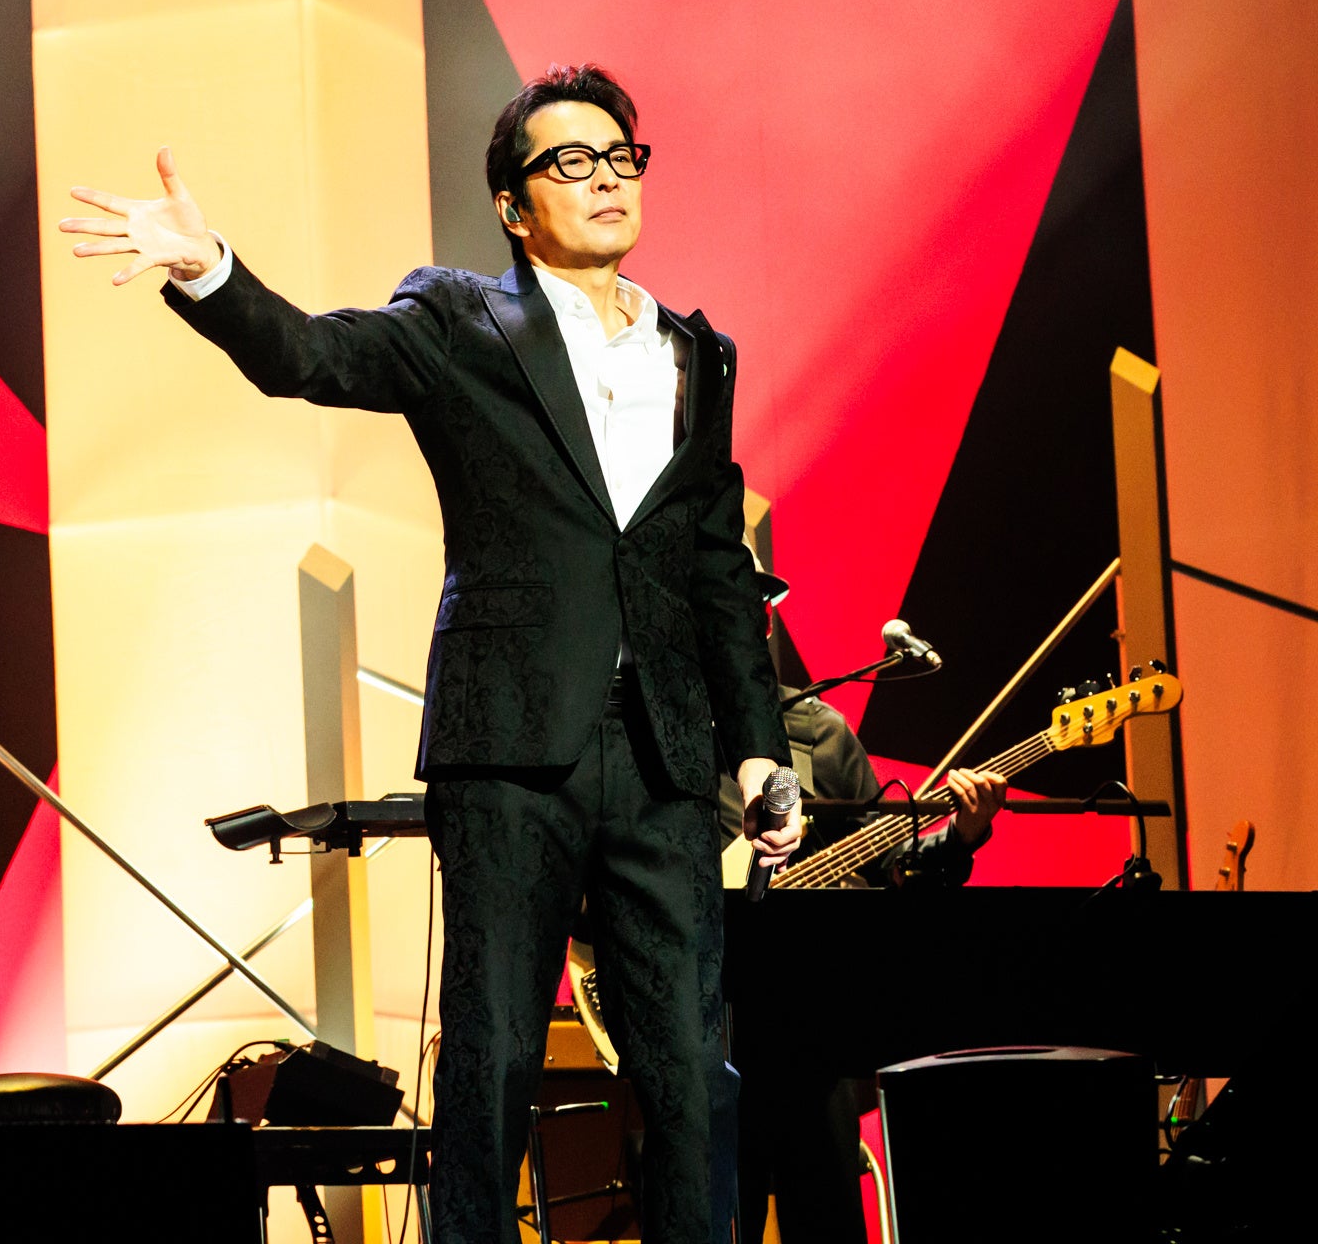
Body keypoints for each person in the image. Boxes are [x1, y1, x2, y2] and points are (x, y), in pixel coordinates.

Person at [61, 64, 800, 1243]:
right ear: (513, 205)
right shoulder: (462, 323)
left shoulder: (694, 355)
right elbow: (313, 356)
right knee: (494, 1061)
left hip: (664, 757)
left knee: (692, 1077)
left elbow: (716, 564)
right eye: (571, 161)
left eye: (621, 156)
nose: (605, 178)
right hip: (510, 747)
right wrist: (209, 270)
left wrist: (759, 747)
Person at [720, 671, 1004, 1244]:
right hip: (699, 1029)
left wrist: (960, 836)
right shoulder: (654, 724)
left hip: (805, 1030)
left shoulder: (816, 731)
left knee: (826, 1217)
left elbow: (894, 861)